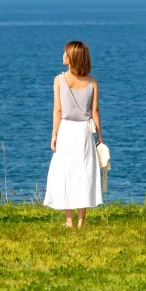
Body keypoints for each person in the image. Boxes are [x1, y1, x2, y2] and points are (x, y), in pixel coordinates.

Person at [44, 39, 103, 228]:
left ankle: (68, 221)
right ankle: (80, 222)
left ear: (72, 58)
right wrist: (100, 137)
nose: (63, 56)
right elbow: (95, 112)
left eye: (65, 53)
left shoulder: (59, 80)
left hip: (67, 130)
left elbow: (58, 111)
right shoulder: (92, 82)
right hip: (85, 132)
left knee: (65, 173)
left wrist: (54, 135)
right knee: (84, 174)